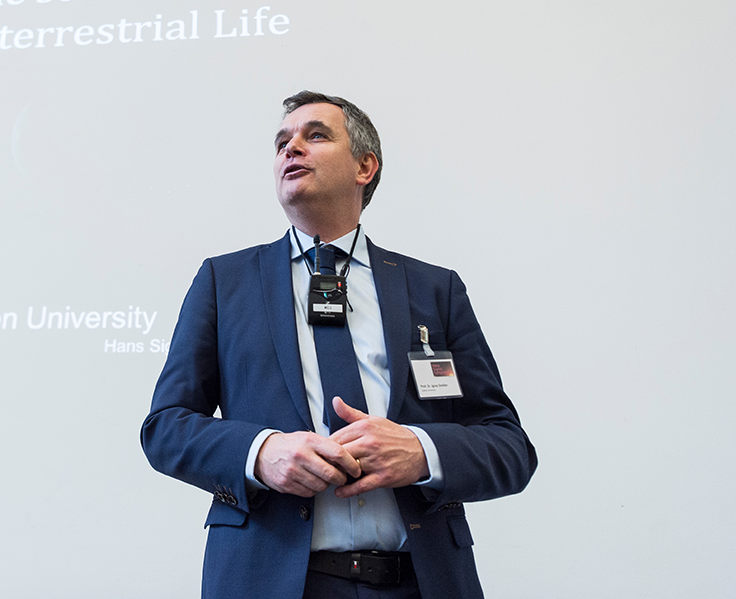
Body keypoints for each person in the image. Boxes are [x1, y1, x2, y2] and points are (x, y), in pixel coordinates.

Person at [141, 91, 536, 599]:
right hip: (271, 581)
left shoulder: (435, 290)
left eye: (316, 135)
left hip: (423, 582)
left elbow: (508, 445)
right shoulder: (226, 281)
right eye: (282, 141)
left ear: (365, 166)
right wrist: (261, 453)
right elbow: (165, 427)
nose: (291, 148)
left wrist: (421, 451)